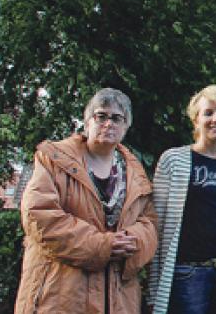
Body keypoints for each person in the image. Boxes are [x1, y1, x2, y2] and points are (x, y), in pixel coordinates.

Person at [15, 88, 157, 313]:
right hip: (61, 294)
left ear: (125, 126)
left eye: (116, 118)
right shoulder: (53, 160)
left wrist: (133, 240)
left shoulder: (136, 175)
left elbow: (149, 222)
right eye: (101, 116)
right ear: (87, 122)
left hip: (117, 297)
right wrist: (103, 245)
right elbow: (39, 216)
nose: (108, 123)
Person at [149, 84, 216, 314]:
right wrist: (154, 289)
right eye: (208, 113)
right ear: (196, 120)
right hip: (189, 273)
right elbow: (157, 223)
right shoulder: (174, 160)